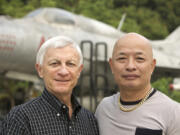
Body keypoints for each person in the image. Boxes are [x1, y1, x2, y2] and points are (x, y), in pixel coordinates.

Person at [1, 36, 99, 135]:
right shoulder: (21, 118)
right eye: (54, 63)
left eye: (70, 64)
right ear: (40, 70)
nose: (63, 72)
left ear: (79, 71)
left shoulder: (90, 120)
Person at [95, 33, 180, 135]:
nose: (130, 66)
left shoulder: (173, 113)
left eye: (139, 59)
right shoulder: (104, 108)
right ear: (112, 65)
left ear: (152, 66)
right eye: (122, 59)